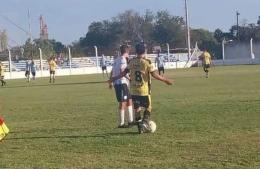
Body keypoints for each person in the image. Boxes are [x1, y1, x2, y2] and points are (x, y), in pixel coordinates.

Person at [109, 43, 173, 134]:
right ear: (144, 51)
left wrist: (114, 78)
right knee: (149, 107)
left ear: (136, 51)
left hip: (134, 91)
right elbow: (154, 74)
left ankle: (140, 128)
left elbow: (124, 73)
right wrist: (165, 80)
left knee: (137, 108)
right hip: (144, 90)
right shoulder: (147, 62)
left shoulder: (131, 61)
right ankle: (145, 122)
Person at [109, 45, 134, 128]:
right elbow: (122, 71)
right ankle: (121, 123)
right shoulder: (123, 60)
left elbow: (112, 71)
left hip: (120, 84)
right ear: (127, 51)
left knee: (129, 100)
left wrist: (110, 81)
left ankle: (130, 121)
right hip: (121, 83)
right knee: (123, 102)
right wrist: (130, 78)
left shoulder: (116, 60)